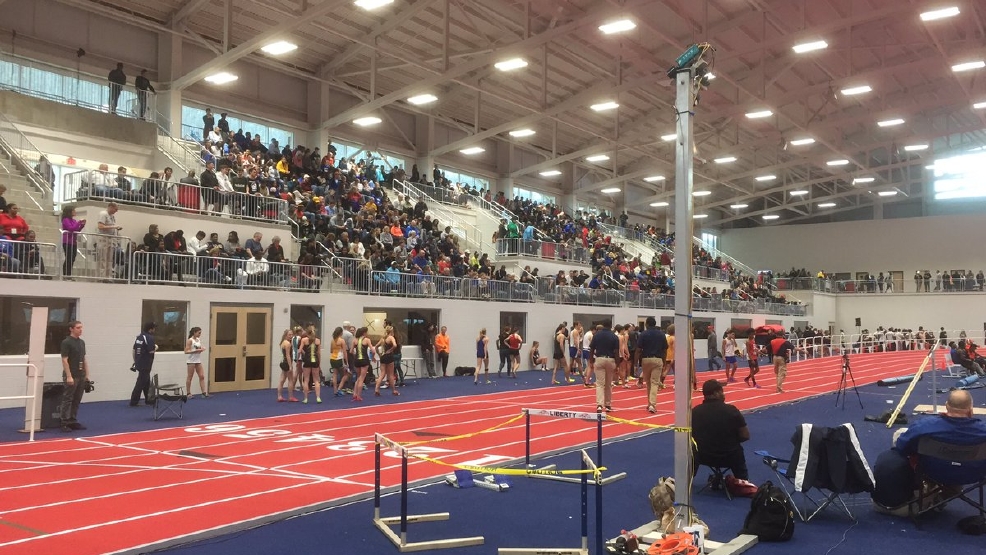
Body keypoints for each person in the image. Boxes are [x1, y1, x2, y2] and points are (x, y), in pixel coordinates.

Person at [872, 390, 986, 510]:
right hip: (973, 474)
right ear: (971, 409)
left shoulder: (925, 426)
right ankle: (948, 492)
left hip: (932, 471)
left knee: (900, 436)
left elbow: (901, 447)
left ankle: (923, 490)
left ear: (946, 406)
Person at [692, 379, 750, 480]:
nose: (724, 394)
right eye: (722, 391)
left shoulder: (694, 412)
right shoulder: (731, 410)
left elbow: (690, 436)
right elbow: (745, 435)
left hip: (703, 456)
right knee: (737, 451)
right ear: (716, 393)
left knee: (693, 448)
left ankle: (687, 480)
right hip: (729, 457)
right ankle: (743, 481)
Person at [59, 321, 89, 432]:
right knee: (68, 399)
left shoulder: (82, 342)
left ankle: (72, 420)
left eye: (81, 327)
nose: (80, 329)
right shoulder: (66, 342)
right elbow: (64, 360)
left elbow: (84, 359)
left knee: (77, 399)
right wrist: (69, 376)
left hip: (80, 374)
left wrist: (87, 374)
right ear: (71, 329)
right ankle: (64, 421)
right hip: (72, 374)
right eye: (78, 328)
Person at [638, 316, 668, 414]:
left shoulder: (643, 334)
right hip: (657, 359)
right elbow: (664, 349)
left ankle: (649, 403)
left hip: (646, 359)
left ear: (646, 324)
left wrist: (636, 362)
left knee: (648, 382)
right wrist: (663, 361)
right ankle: (652, 404)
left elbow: (639, 349)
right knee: (655, 382)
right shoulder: (661, 334)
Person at [589, 322, 619, 413]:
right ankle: (608, 405)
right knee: (608, 383)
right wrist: (617, 364)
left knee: (600, 383)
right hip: (610, 359)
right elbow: (616, 352)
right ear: (610, 326)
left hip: (599, 359)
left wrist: (591, 361)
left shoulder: (597, 335)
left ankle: (599, 405)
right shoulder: (614, 336)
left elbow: (592, 349)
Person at [129, 322, 157, 407]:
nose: (154, 330)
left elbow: (134, 351)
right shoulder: (149, 338)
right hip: (146, 363)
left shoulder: (139, 337)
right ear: (150, 329)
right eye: (154, 328)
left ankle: (149, 399)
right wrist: (156, 348)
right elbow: (151, 351)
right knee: (140, 382)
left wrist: (135, 361)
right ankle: (134, 401)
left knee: (146, 381)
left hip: (139, 362)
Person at [97, 202, 122, 279]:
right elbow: (100, 226)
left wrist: (115, 228)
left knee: (109, 259)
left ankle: (108, 276)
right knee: (103, 258)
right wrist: (114, 227)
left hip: (111, 239)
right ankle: (101, 276)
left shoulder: (112, 216)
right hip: (104, 239)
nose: (116, 211)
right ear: (110, 207)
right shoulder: (103, 214)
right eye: (115, 209)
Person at [60, 205, 85, 277]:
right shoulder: (65, 220)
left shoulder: (74, 220)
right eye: (73, 210)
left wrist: (81, 226)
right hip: (67, 241)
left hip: (73, 241)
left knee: (72, 258)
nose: (75, 212)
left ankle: (69, 274)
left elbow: (76, 230)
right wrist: (79, 222)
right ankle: (66, 274)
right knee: (68, 258)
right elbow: (71, 228)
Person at [300, 325, 322, 404]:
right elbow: (319, 353)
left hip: (307, 361)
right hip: (315, 361)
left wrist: (304, 353)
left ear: (307, 333)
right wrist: (319, 363)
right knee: (316, 380)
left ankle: (305, 398)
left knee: (306, 380)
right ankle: (318, 397)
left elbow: (299, 350)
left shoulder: (304, 340)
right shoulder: (318, 341)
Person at [185, 326, 208, 399]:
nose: (199, 334)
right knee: (190, 377)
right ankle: (188, 393)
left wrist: (201, 349)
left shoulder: (198, 339)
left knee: (202, 376)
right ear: (194, 333)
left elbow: (198, 348)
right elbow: (186, 351)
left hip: (198, 360)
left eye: (200, 333)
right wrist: (195, 351)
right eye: (199, 333)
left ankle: (204, 392)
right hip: (191, 361)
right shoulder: (190, 340)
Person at [376, 326, 400, 396]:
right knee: (390, 375)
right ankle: (394, 390)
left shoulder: (383, 338)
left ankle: (376, 389)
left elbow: (376, 346)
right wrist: (391, 350)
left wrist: (379, 354)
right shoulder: (391, 338)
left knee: (382, 374)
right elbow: (395, 345)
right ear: (392, 331)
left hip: (383, 356)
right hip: (389, 356)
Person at [351, 327, 372, 401]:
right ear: (364, 333)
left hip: (357, 360)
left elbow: (351, 351)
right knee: (361, 378)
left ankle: (354, 394)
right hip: (364, 360)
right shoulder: (367, 340)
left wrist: (355, 355)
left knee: (358, 377)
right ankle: (358, 395)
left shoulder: (355, 340)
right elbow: (372, 350)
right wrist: (373, 357)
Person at [277, 329, 298, 402]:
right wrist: (290, 366)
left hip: (283, 362)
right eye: (289, 335)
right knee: (290, 380)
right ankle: (291, 396)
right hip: (286, 363)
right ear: (286, 335)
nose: (291, 336)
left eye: (292, 334)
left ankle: (279, 396)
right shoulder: (288, 344)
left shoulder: (283, 342)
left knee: (282, 379)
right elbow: (288, 355)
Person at [328, 326, 349, 397]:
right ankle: (339, 389)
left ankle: (335, 390)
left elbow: (331, 350)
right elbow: (345, 352)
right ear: (341, 333)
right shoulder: (342, 340)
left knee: (335, 374)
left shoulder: (332, 340)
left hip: (332, 358)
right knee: (346, 374)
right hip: (339, 358)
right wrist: (347, 361)